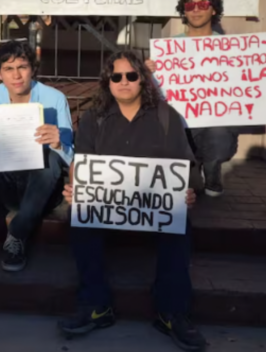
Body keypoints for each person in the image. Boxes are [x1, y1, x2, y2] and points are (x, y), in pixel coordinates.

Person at [58, 51, 204, 351]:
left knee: (179, 224)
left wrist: (187, 192)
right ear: (107, 82)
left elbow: (186, 167)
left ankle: (171, 312)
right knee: (79, 216)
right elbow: (82, 163)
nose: (123, 82)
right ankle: (96, 305)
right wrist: (75, 186)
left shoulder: (167, 116)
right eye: (116, 76)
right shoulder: (93, 118)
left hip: (153, 207)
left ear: (142, 80)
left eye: (131, 75)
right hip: (107, 205)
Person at [0, 40, 73, 299]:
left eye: (23, 66)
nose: (17, 75)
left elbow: (69, 158)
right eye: (9, 68)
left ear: (33, 68)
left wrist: (58, 143)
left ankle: (17, 234)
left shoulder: (55, 99)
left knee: (51, 158)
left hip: (42, 188)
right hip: (4, 186)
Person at [146, 0, 266, 196]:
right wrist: (148, 74)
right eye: (190, 4)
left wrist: (265, 74)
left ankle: (212, 167)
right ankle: (194, 166)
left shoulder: (234, 49)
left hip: (217, 126)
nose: (196, 9)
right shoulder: (168, 50)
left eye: (203, 3)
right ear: (184, 10)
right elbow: (154, 94)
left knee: (219, 138)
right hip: (182, 125)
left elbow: (247, 88)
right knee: (187, 180)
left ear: (213, 9)